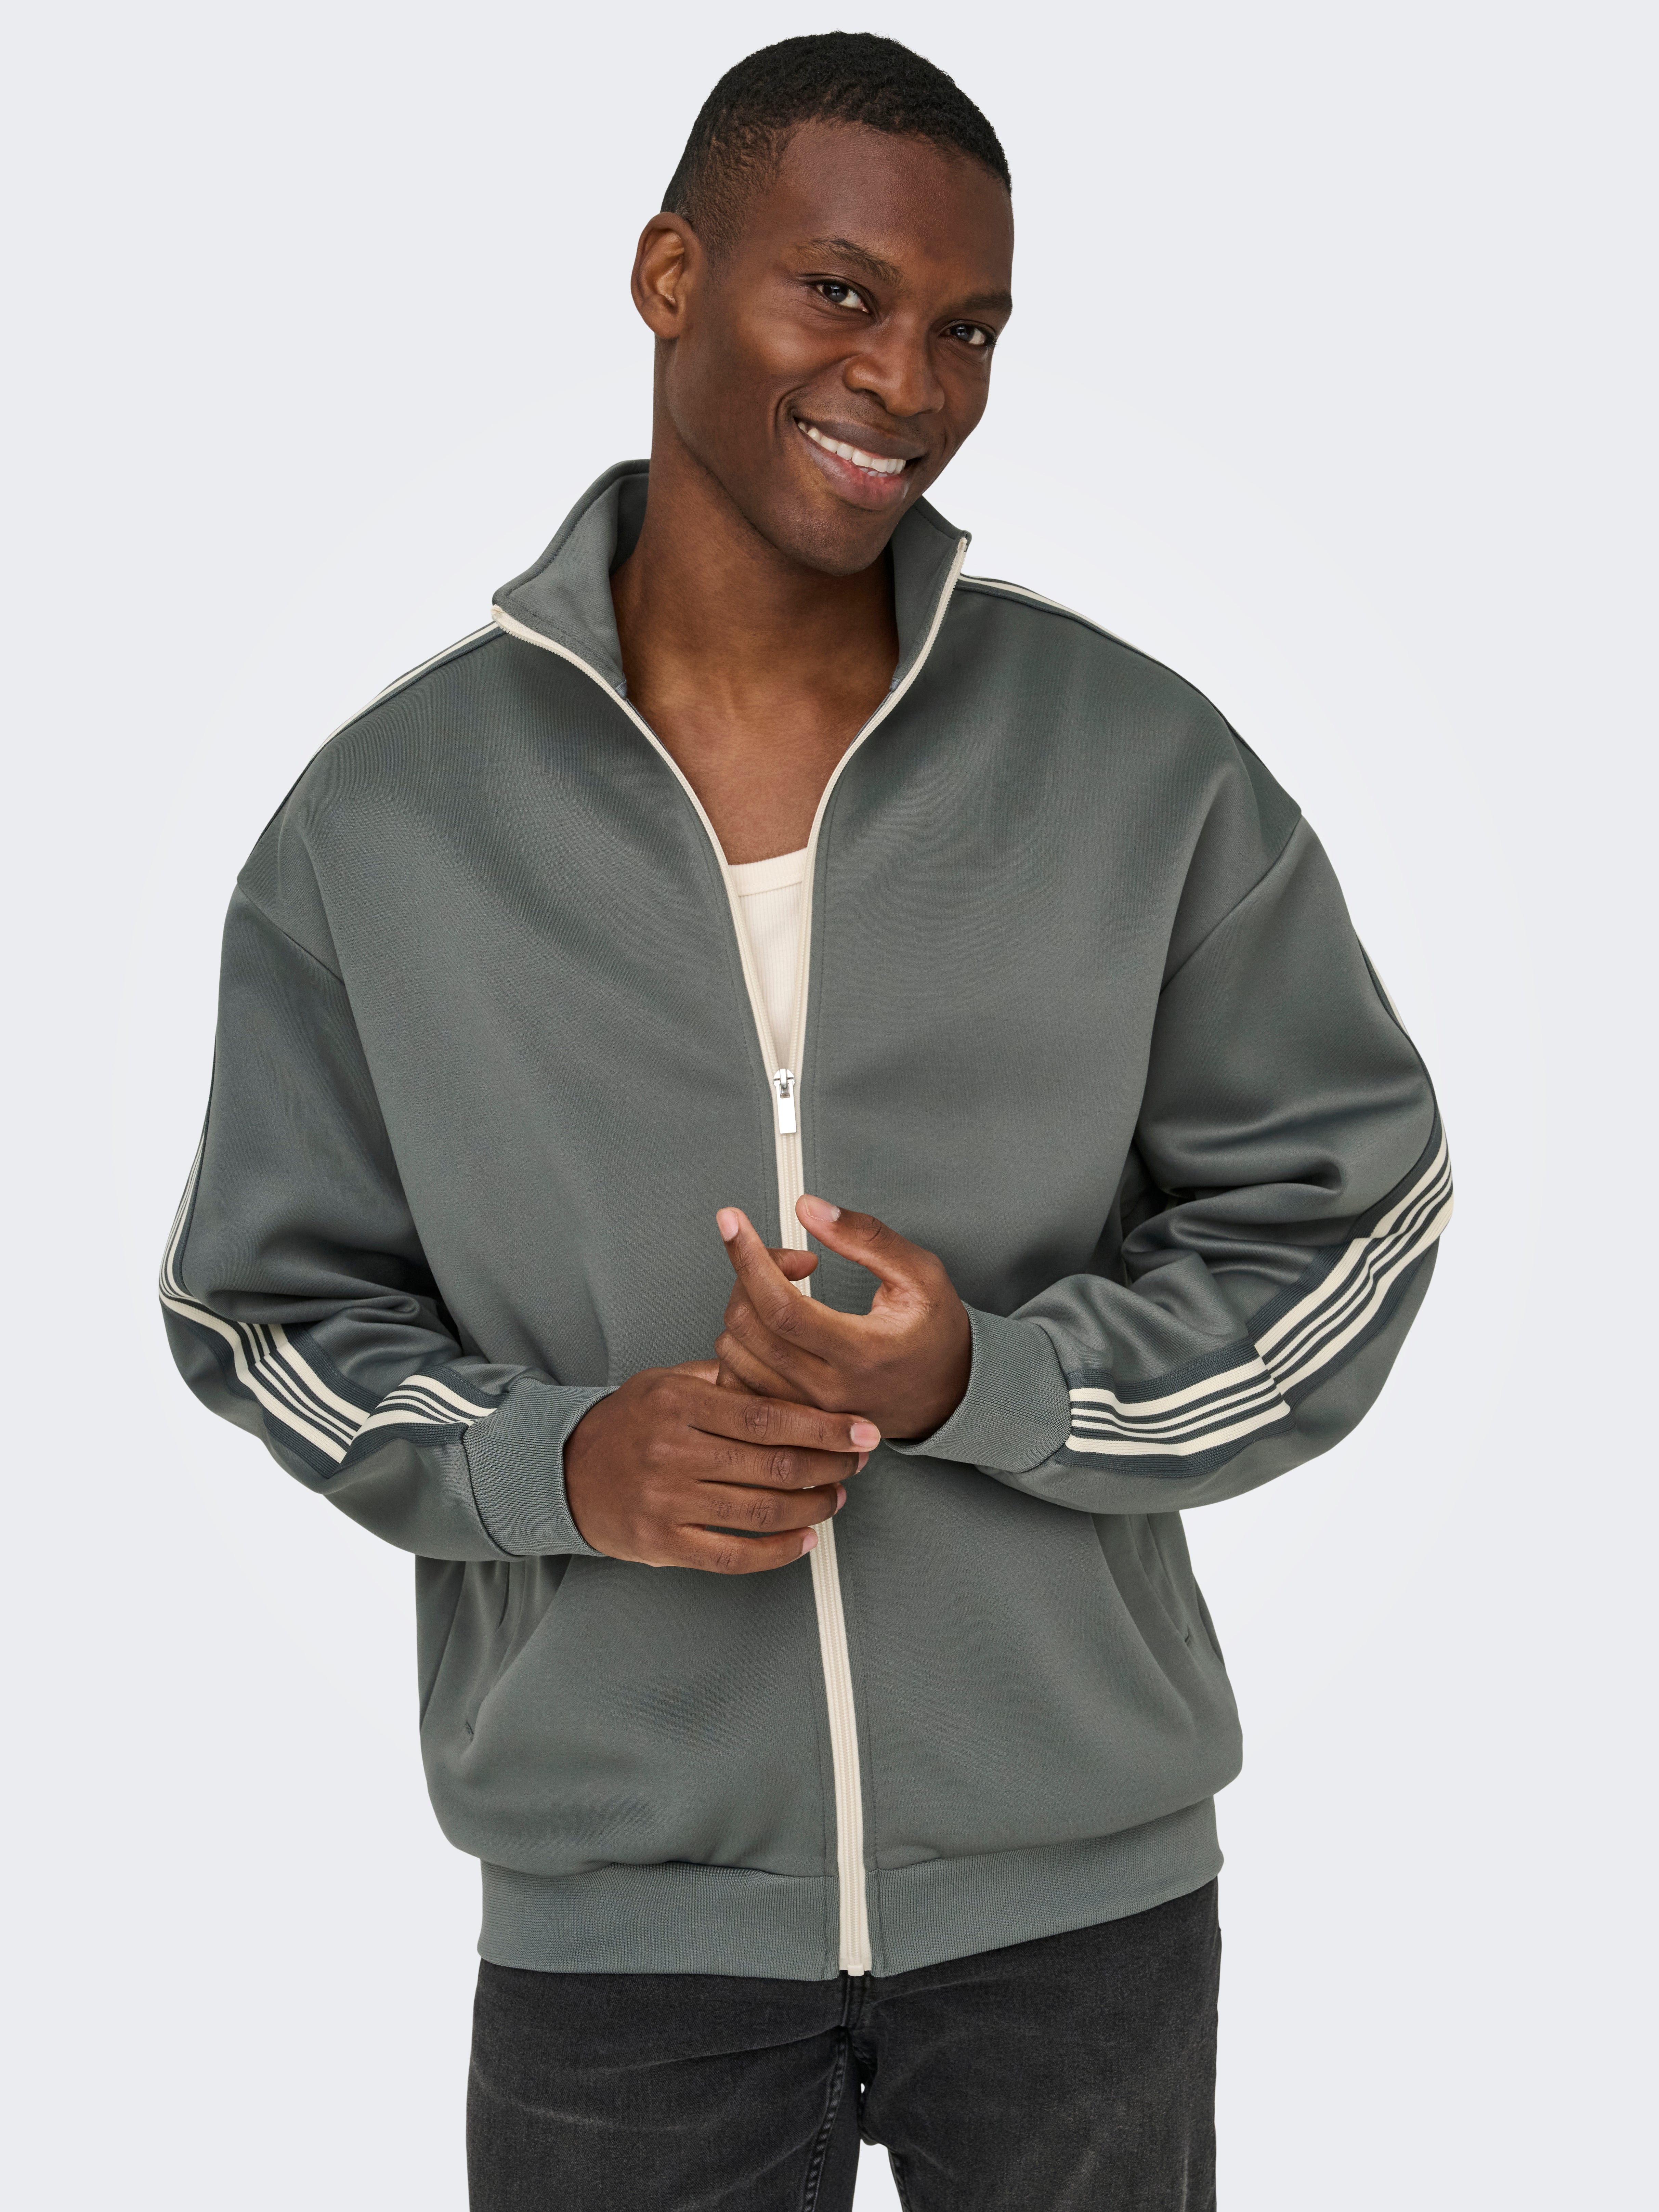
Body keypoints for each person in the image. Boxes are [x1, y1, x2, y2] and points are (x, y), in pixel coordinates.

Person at [162, 31, 1450, 2210]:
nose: (907, 383)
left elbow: (1349, 1220)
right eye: (840, 294)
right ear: (670, 274)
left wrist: (988, 1382)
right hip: (619, 1931)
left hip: (1076, 1915)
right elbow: (266, 1307)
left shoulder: (1137, 766)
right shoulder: (384, 824)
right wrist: (562, 1460)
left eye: (968, 329)